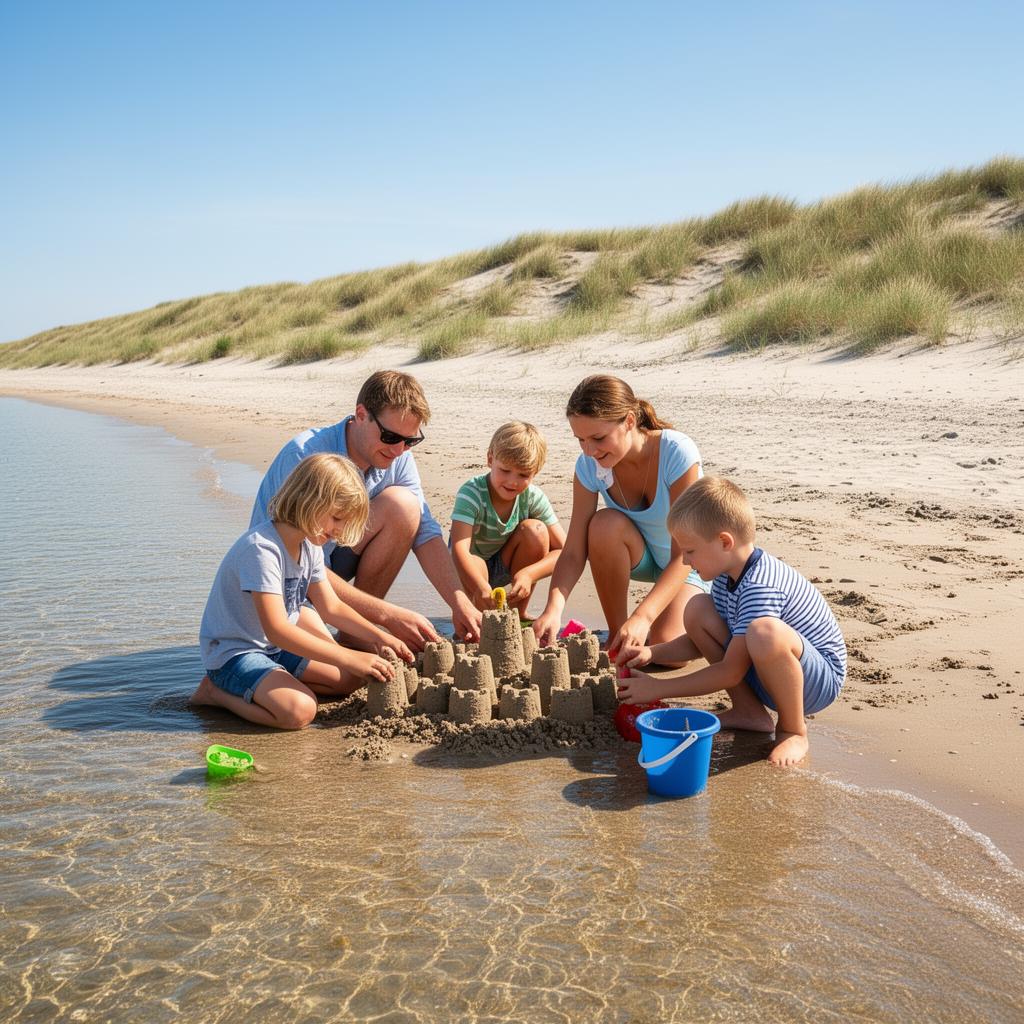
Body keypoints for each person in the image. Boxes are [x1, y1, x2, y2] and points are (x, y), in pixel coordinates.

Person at [616, 477, 847, 766]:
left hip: (815, 680)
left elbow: (730, 672)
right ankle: (748, 711)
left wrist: (659, 688)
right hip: (770, 669)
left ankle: (793, 729)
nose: (685, 562)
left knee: (764, 632)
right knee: (697, 609)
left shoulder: (761, 586)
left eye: (690, 551)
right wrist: (653, 653)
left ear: (725, 542)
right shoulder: (727, 575)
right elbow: (700, 641)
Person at [250, 370, 481, 648]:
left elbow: (425, 533)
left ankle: (352, 634)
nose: (399, 451)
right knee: (334, 672)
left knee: (405, 507)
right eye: (390, 437)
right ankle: (355, 631)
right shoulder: (306, 456)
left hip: (331, 559)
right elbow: (300, 566)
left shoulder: (398, 455)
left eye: (411, 441)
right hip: (288, 578)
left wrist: (460, 603)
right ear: (361, 414)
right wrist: (386, 616)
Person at [191, 453, 399, 730]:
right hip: (235, 653)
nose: (338, 531)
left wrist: (379, 637)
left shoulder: (309, 546)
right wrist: (349, 655)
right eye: (336, 518)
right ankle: (214, 693)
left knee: (351, 678)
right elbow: (278, 628)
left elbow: (332, 608)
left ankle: (271, 682)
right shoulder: (261, 550)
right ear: (309, 500)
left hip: (274, 649)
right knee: (299, 712)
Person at [533, 375, 710, 653]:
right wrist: (553, 609)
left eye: (598, 438)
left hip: (694, 564)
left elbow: (682, 557)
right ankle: (618, 633)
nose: (589, 451)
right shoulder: (589, 466)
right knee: (603, 525)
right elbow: (572, 552)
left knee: (666, 647)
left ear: (629, 421)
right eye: (580, 440)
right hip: (645, 558)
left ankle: (705, 613)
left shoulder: (676, 452)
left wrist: (643, 617)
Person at [449, 421, 566, 618]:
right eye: (505, 470)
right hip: (468, 570)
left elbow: (565, 550)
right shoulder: (471, 493)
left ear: (535, 472)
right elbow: (459, 551)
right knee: (476, 563)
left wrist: (530, 574)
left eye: (523, 475)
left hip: (505, 563)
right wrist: (480, 587)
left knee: (535, 530)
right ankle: (478, 615)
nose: (513, 481)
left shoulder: (532, 497)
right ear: (490, 459)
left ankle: (516, 614)